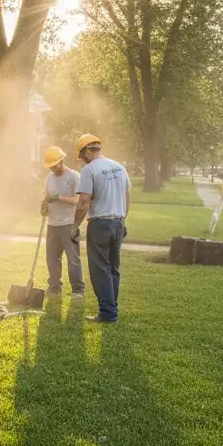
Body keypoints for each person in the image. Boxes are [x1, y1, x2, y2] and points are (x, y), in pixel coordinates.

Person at [73, 134, 131, 323]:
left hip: (100, 224)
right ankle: (112, 308)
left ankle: (107, 313)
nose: (83, 160)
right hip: (118, 221)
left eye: (82, 156)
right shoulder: (119, 167)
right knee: (113, 268)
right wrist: (122, 219)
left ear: (87, 151)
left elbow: (84, 201)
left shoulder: (89, 170)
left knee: (100, 270)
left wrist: (75, 227)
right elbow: (127, 196)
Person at [41, 146, 85, 298]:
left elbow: (77, 200)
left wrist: (58, 197)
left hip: (70, 224)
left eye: (55, 165)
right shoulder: (49, 179)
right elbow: (46, 197)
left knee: (73, 258)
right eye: (50, 166)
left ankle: (78, 289)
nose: (53, 168)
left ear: (62, 160)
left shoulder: (74, 177)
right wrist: (44, 206)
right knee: (52, 258)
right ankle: (54, 288)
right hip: (52, 224)